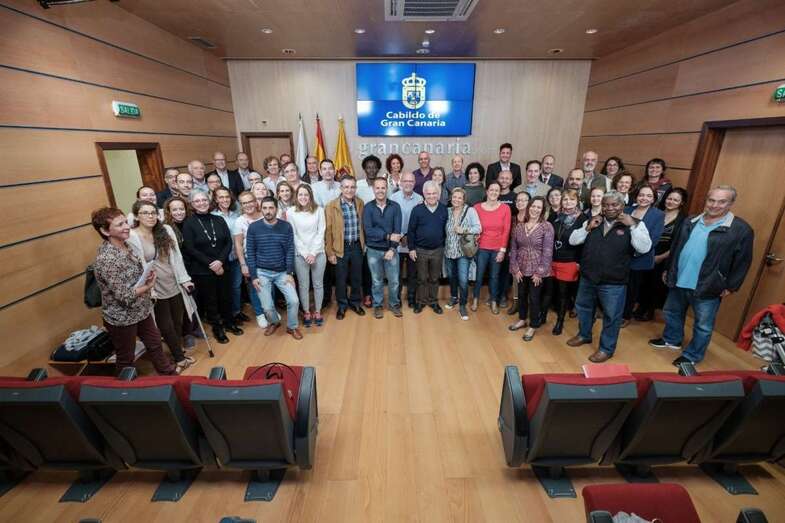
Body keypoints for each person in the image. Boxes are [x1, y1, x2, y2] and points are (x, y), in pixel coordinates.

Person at [649, 185, 754, 366]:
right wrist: (668, 269)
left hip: (709, 285)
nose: (714, 205)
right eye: (711, 200)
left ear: (731, 203)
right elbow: (676, 248)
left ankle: (692, 355)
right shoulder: (690, 221)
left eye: (721, 202)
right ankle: (672, 339)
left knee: (703, 325)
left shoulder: (741, 229)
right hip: (679, 278)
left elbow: (743, 261)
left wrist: (731, 286)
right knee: (671, 312)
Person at [567, 191, 652, 362]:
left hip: (614, 281)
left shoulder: (636, 223)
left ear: (622, 206)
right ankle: (584, 335)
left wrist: (632, 226)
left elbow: (644, 248)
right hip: (588, 277)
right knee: (583, 308)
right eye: (605, 205)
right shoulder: (593, 221)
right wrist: (587, 228)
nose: (609, 208)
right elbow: (573, 240)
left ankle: (606, 349)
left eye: (614, 204)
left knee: (612, 316)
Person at [90, 207, 176, 375]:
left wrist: (147, 276)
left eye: (125, 222)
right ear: (105, 231)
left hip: (141, 309)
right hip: (122, 317)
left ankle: (170, 377)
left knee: (155, 344)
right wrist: (148, 286)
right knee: (126, 358)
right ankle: (126, 387)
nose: (127, 226)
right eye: (120, 224)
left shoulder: (127, 245)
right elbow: (125, 296)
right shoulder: (106, 259)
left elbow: (133, 277)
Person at [128, 200, 197, 374]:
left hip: (173, 281)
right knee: (165, 325)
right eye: (145, 213)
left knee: (177, 321)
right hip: (154, 287)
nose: (150, 216)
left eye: (153, 212)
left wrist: (184, 279)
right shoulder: (132, 236)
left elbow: (177, 256)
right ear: (136, 216)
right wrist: (147, 286)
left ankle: (177, 351)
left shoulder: (165, 230)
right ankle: (179, 358)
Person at [181, 190, 243, 344]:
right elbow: (190, 248)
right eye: (197, 201)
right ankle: (217, 328)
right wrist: (211, 264)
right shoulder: (189, 223)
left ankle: (229, 322)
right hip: (202, 269)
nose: (201, 203)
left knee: (226, 296)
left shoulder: (218, 219)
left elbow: (228, 242)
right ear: (192, 204)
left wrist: (220, 261)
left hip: (223, 266)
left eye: (204, 200)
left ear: (209, 201)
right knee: (211, 301)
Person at [247, 197, 302, 340]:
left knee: (294, 300)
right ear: (261, 209)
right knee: (267, 307)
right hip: (262, 272)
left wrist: (289, 273)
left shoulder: (286, 226)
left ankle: (292, 327)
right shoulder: (253, 228)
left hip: (282, 272)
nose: (268, 211)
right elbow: (250, 253)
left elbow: (290, 250)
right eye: (265, 208)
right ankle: (274, 322)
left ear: (276, 209)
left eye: (271, 208)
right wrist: (254, 276)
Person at [636, 187, 688, 321]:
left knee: (656, 284)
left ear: (681, 203)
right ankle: (640, 307)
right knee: (642, 282)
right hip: (647, 252)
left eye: (675, 200)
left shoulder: (683, 220)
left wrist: (661, 257)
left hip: (665, 256)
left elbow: (679, 244)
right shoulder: (655, 213)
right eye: (669, 198)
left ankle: (649, 310)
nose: (671, 202)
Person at [507, 197, 554, 342]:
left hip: (537, 270)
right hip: (520, 268)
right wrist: (515, 268)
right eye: (533, 206)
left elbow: (548, 252)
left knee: (534, 298)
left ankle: (533, 325)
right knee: (521, 294)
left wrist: (540, 272)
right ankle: (522, 319)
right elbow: (513, 248)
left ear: (543, 210)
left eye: (539, 207)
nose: (535, 209)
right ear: (529, 207)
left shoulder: (547, 227)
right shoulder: (519, 227)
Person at [621, 184, 665, 327]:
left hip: (640, 258)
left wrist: (636, 251)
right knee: (619, 286)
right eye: (641, 195)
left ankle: (626, 315)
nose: (644, 198)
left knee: (631, 289)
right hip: (622, 256)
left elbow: (654, 239)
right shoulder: (627, 210)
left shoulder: (658, 215)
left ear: (653, 199)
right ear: (636, 196)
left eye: (648, 196)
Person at [325, 176, 366, 319]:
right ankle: (342, 305)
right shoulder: (331, 206)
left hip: (356, 246)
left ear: (356, 188)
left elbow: (363, 226)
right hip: (340, 248)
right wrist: (330, 252)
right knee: (340, 279)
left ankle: (355, 302)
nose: (349, 190)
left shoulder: (360, 203)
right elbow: (328, 231)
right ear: (341, 188)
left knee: (356, 277)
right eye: (346, 187)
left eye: (352, 187)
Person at [547, 189, 586, 335]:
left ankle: (560, 321)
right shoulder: (555, 216)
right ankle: (543, 316)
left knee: (563, 293)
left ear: (577, 202)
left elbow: (584, 243)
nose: (568, 202)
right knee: (550, 290)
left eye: (572, 199)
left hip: (570, 260)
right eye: (565, 199)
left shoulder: (582, 218)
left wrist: (579, 262)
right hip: (552, 259)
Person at [363, 177, 403, 319]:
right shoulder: (368, 208)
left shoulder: (395, 207)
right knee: (376, 281)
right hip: (373, 251)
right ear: (373, 189)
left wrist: (392, 249)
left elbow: (397, 232)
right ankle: (378, 305)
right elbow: (369, 231)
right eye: (377, 188)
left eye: (383, 188)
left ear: (387, 189)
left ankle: (394, 304)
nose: (380, 190)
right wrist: (387, 236)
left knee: (394, 281)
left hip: (391, 251)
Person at [288, 185, 327, 327]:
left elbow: (321, 232)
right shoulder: (291, 212)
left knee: (318, 284)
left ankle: (317, 311)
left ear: (310, 196)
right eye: (300, 194)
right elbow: (294, 235)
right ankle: (306, 311)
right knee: (303, 285)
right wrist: (305, 253)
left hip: (318, 253)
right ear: (296, 196)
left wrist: (313, 253)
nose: (303, 197)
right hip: (300, 255)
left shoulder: (319, 210)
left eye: (306, 194)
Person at [408, 181, 448, 314]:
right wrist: (411, 248)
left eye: (434, 193)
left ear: (438, 194)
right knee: (422, 278)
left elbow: (446, 230)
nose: (431, 196)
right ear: (424, 194)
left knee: (434, 278)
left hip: (438, 250)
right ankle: (421, 302)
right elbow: (411, 230)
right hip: (420, 250)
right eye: (428, 193)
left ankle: (433, 301)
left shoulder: (443, 209)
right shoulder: (417, 210)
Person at [472, 181, 511, 313]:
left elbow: (506, 231)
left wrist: (502, 250)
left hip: (497, 249)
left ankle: (494, 301)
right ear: (487, 191)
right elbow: (473, 227)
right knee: (479, 275)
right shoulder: (477, 207)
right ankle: (475, 299)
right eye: (491, 190)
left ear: (499, 193)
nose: (494, 192)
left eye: (496, 190)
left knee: (494, 276)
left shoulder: (505, 208)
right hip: (481, 248)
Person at [444, 187, 481, 321]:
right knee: (451, 277)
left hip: (463, 252)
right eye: (454, 197)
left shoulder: (470, 211)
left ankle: (463, 305)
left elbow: (478, 228)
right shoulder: (447, 211)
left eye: (460, 197)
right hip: (449, 250)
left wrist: (463, 230)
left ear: (464, 199)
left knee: (463, 280)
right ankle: (454, 297)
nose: (457, 200)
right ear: (451, 198)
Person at [233, 191, 268, 329]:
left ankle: (269, 310)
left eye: (250, 201)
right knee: (255, 287)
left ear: (255, 202)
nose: (248, 205)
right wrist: (243, 264)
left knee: (269, 285)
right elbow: (238, 244)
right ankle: (260, 313)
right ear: (241, 205)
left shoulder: (265, 215)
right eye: (244, 203)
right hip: (250, 259)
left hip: (267, 257)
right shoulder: (239, 221)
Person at [211, 187, 245, 325]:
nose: (225, 199)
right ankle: (227, 315)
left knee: (236, 286)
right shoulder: (213, 216)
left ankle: (236, 311)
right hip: (221, 259)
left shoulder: (236, 215)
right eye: (221, 197)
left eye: (227, 197)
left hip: (235, 256)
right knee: (223, 289)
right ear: (216, 199)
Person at [390, 172, 423, 308]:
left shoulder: (420, 199)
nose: (408, 183)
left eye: (411, 181)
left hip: (413, 243)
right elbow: (390, 220)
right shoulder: (393, 198)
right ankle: (396, 299)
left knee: (412, 273)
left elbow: (421, 222)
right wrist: (401, 236)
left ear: (414, 183)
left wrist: (409, 236)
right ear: (401, 183)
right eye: (405, 181)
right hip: (397, 242)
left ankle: (411, 298)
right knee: (396, 274)